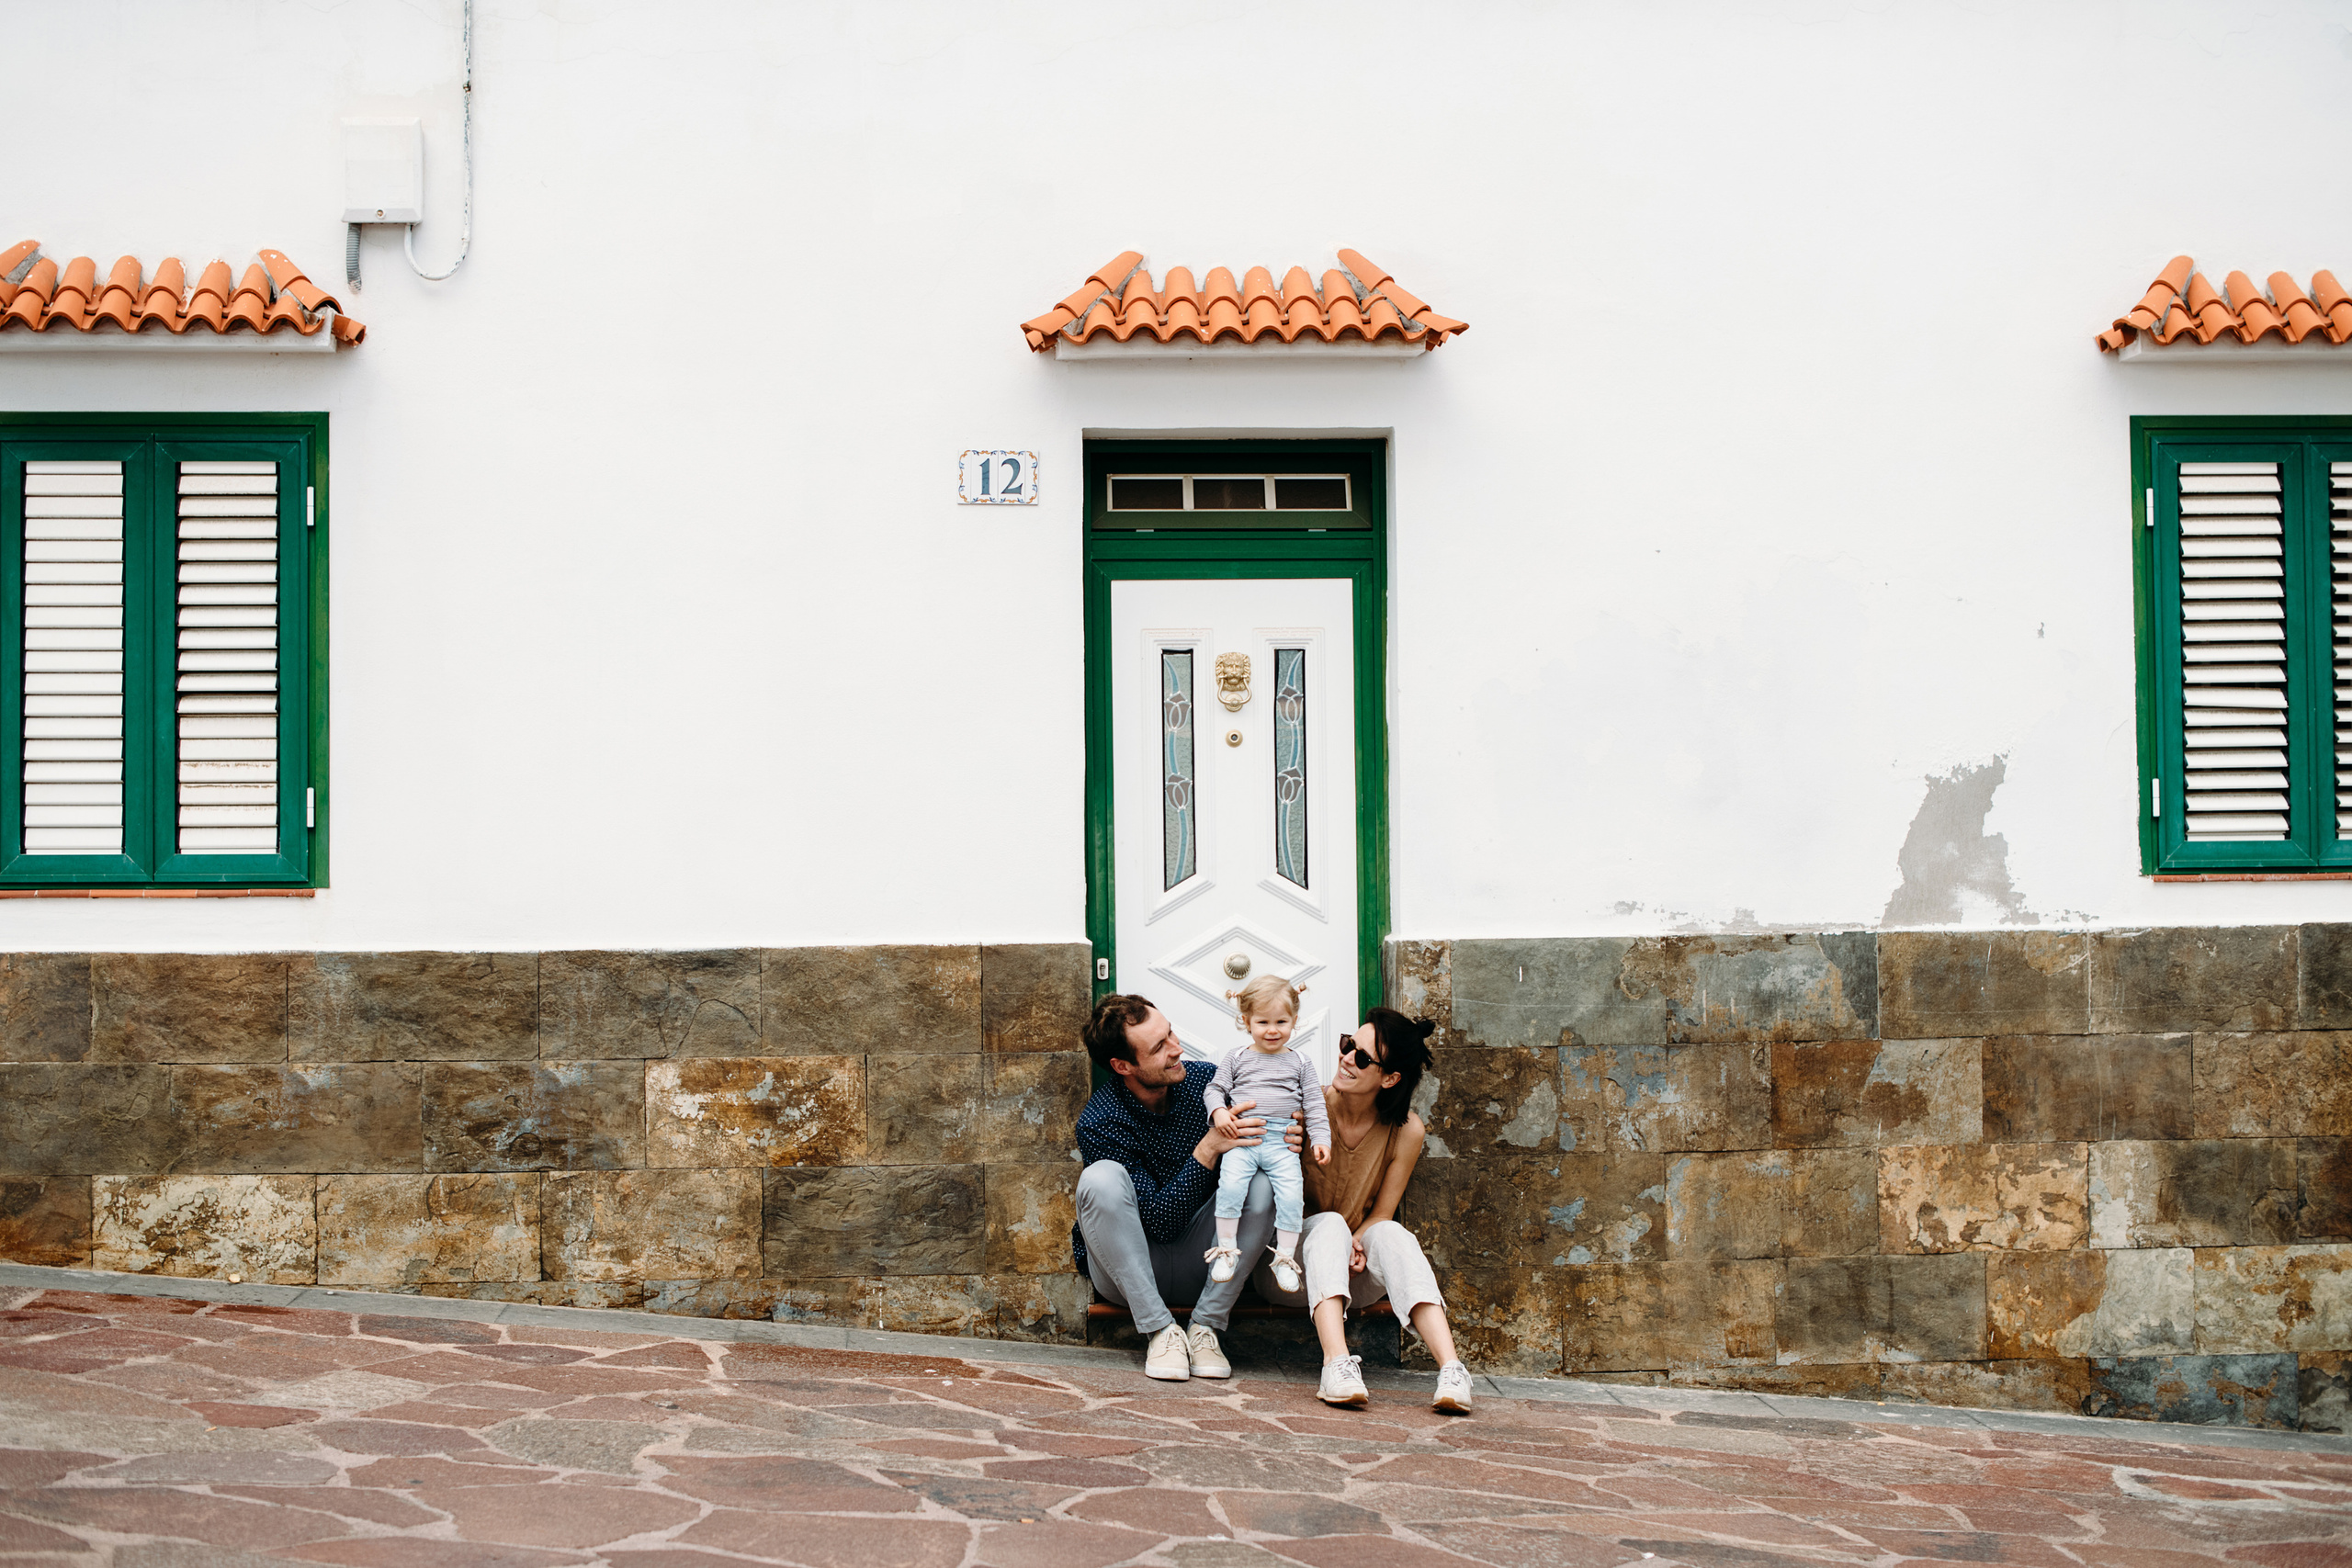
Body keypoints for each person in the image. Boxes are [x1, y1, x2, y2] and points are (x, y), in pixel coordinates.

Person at [1250, 1007, 1474, 1415]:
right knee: (1331, 1224)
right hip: (1284, 1267)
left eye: (1363, 1057)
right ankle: (1336, 1364)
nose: (1347, 1058)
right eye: (1348, 1045)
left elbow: (1382, 1212)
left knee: (1392, 1234)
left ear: (1390, 1079)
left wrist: (1354, 1241)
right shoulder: (1303, 1105)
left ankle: (1453, 1370)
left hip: (1350, 1271)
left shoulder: (1406, 1130)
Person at [1072, 992, 1289, 1382]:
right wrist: (1207, 1149)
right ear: (1123, 1066)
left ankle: (1206, 1327)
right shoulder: (1100, 1121)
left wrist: (1285, 1132)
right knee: (1099, 1178)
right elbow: (1158, 1224)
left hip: (1205, 1263)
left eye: (1170, 1034)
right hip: (1130, 1274)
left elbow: (1270, 1131)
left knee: (1262, 1181)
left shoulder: (1208, 1085)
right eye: (1160, 1047)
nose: (1178, 1049)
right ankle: (1160, 1331)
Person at [1202, 975, 1331, 1293]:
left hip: (1281, 1145)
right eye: (1263, 1022)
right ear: (1246, 1021)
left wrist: (1321, 1139)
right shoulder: (1236, 1057)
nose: (1272, 1030)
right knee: (1230, 1188)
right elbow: (1215, 1089)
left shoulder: (1300, 1062)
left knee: (1291, 1197)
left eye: (1281, 1021)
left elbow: (1315, 1104)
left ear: (1295, 1021)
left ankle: (1284, 1258)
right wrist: (1219, 1112)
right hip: (1242, 1142)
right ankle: (1226, 1250)